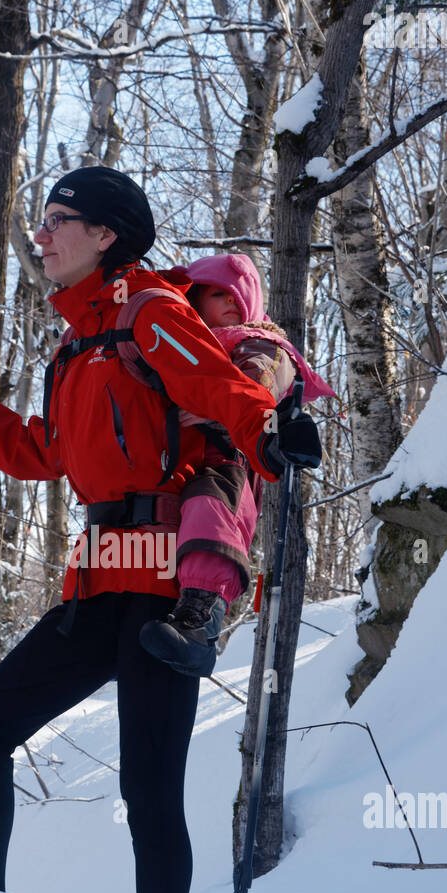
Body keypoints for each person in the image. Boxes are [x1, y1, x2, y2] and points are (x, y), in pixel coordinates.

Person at [0, 166, 321, 893]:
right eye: (41, 222)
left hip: (165, 581)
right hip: (102, 574)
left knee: (149, 787)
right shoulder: (78, 347)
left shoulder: (146, 315)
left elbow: (217, 387)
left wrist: (269, 432)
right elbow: (39, 451)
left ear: (106, 235)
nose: (41, 236)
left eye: (57, 221)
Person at [139, 252, 336, 677]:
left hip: (233, 461)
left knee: (211, 510)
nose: (229, 302)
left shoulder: (260, 342)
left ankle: (201, 616)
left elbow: (256, 387)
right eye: (216, 294)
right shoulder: (182, 344)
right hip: (181, 465)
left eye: (235, 294)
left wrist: (216, 411)